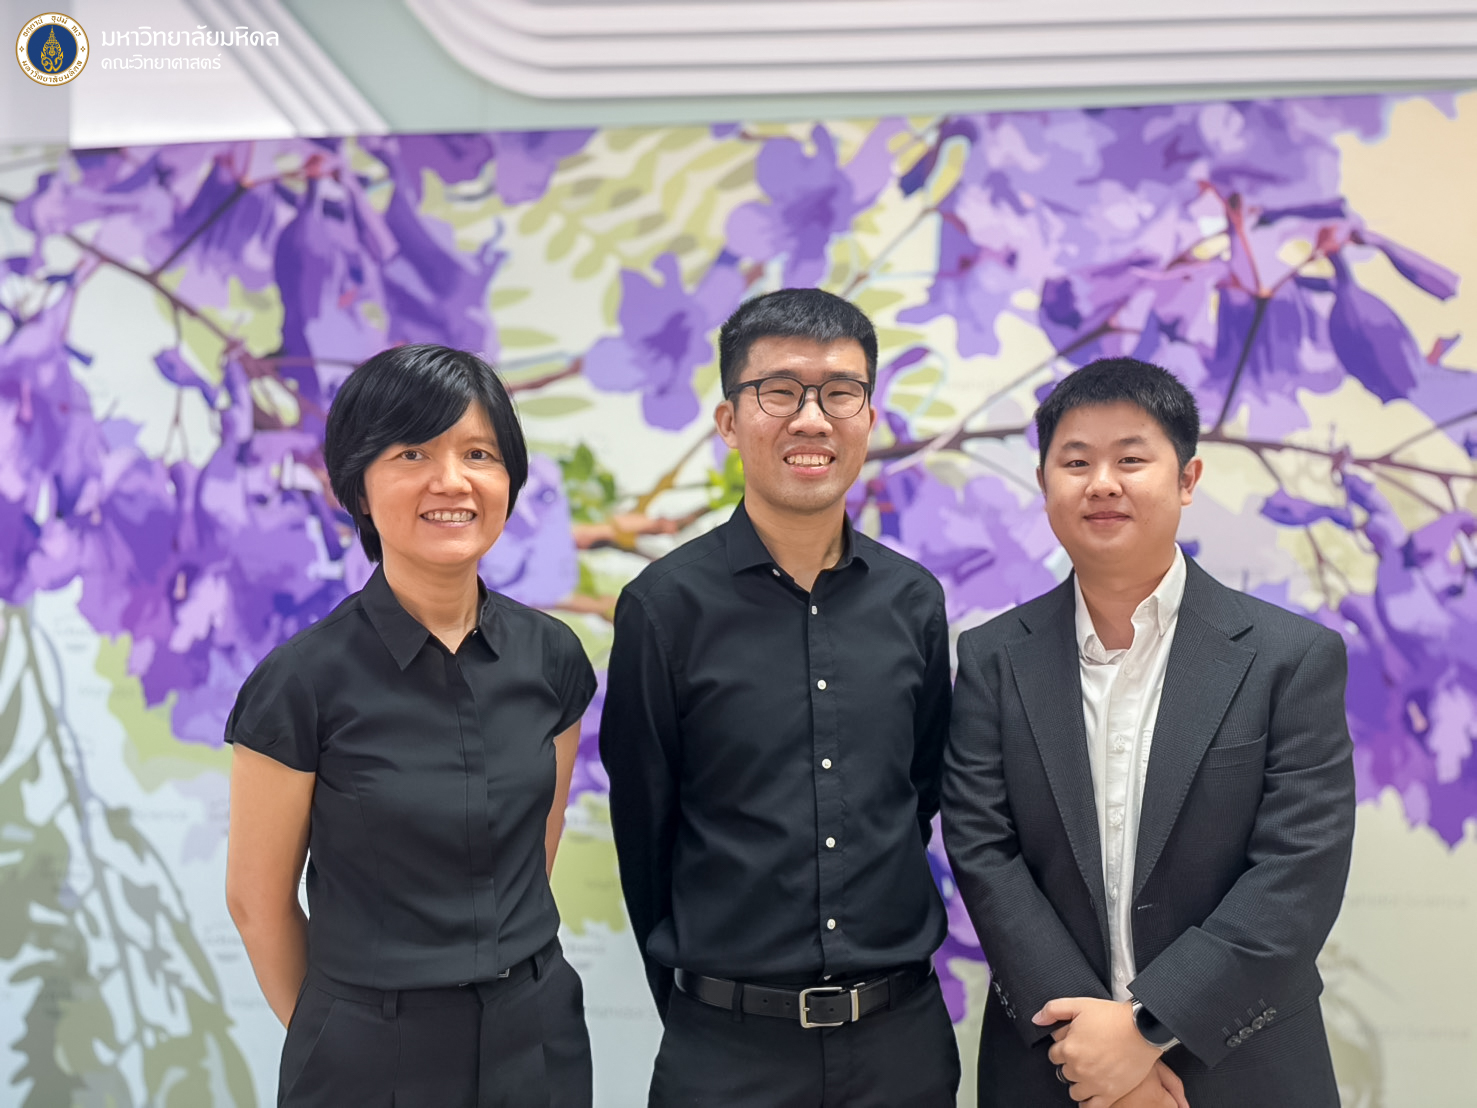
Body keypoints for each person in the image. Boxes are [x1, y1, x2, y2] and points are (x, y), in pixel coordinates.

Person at [942, 357, 1356, 1108]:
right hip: (1052, 1067)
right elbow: (983, 851)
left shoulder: (1290, 658)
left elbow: (1296, 873)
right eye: (1076, 462)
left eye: (1131, 459)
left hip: (1244, 1070)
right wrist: (1092, 1047)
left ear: (1187, 478)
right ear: (1043, 483)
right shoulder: (991, 658)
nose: (1102, 483)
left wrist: (1145, 1029)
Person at [600, 288, 961, 1106]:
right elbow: (646, 834)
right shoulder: (664, 608)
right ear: (729, 421)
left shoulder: (913, 601)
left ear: (868, 418)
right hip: (727, 1054)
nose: (811, 419)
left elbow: (918, 797)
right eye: (779, 391)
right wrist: (701, 1008)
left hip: (898, 1046)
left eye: (839, 393)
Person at [224, 344, 596, 1107]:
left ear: (508, 478)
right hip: (370, 1054)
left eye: (478, 453)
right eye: (412, 453)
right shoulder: (301, 682)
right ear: (359, 488)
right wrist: (342, 1032)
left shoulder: (552, 656)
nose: (451, 480)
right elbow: (256, 903)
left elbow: (536, 847)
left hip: (536, 1037)